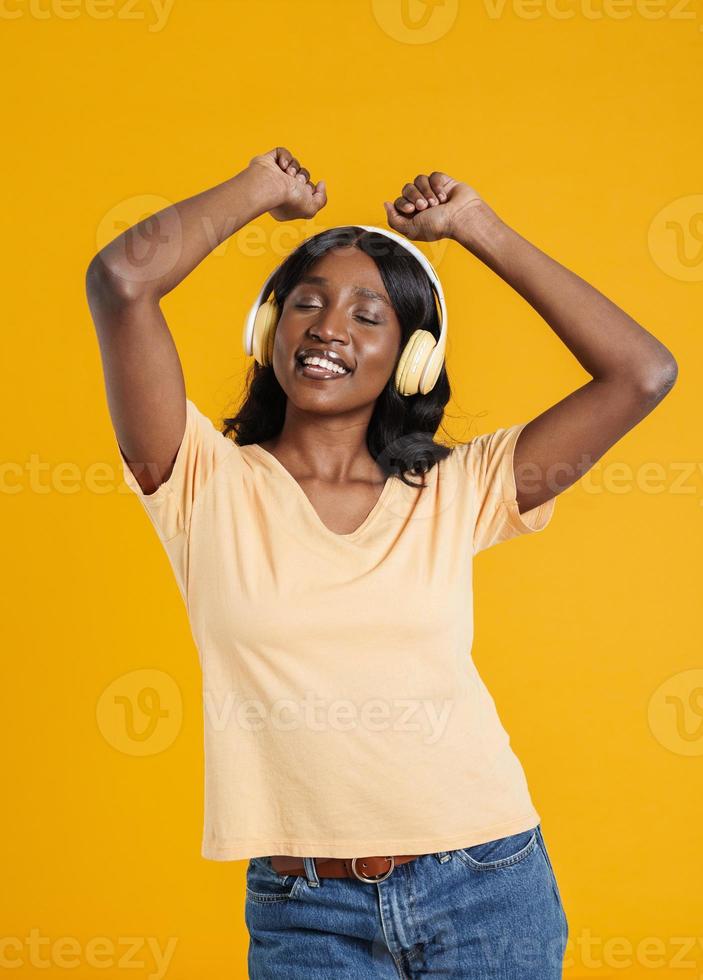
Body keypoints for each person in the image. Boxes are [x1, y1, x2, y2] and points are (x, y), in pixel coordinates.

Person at [85, 146, 678, 979]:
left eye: (368, 316)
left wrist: (474, 226)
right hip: (307, 912)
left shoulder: (458, 487)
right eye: (306, 304)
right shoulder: (196, 479)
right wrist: (261, 190)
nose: (329, 327)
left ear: (412, 358)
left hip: (485, 882)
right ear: (268, 330)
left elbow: (642, 372)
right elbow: (120, 281)